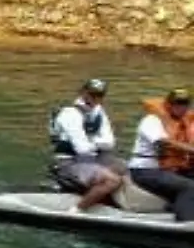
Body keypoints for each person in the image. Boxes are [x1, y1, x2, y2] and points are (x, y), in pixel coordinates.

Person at [49, 77, 123, 211]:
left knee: (127, 169)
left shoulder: (99, 113)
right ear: (83, 92)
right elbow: (82, 149)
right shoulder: (70, 114)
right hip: (68, 163)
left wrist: (92, 143)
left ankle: (119, 203)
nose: (94, 98)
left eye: (99, 95)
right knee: (112, 180)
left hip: (92, 160)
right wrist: (98, 143)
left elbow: (110, 143)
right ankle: (77, 209)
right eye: (91, 94)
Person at [128, 88, 194, 221]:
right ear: (168, 104)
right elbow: (164, 143)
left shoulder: (185, 122)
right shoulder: (152, 120)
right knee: (188, 186)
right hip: (145, 170)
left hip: (171, 168)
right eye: (177, 104)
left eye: (184, 104)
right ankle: (186, 223)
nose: (181, 108)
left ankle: (176, 205)